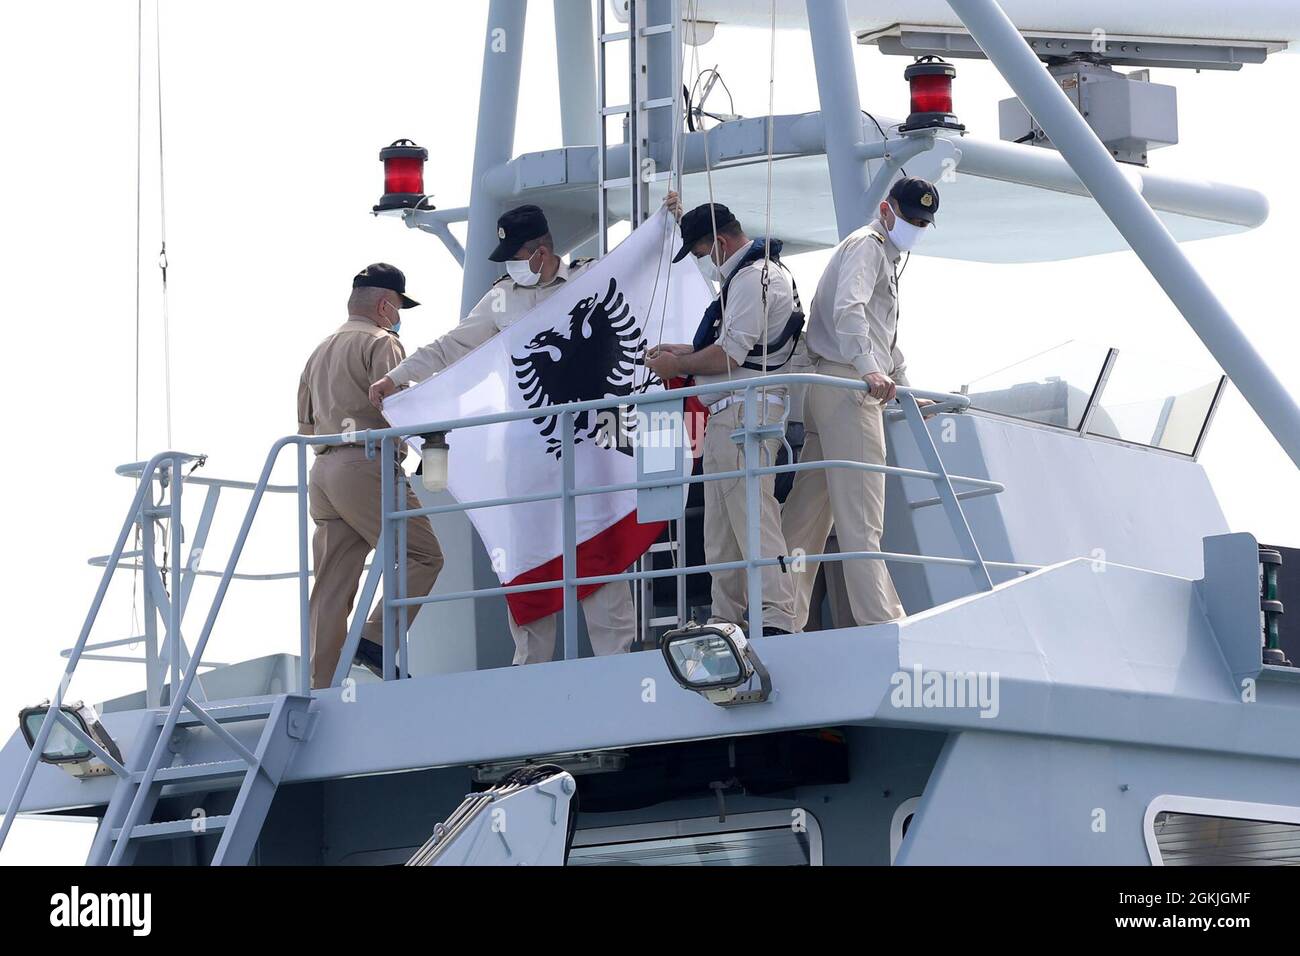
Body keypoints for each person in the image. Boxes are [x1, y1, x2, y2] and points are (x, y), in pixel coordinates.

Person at [368, 204, 636, 665]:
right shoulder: (501, 298)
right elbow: (452, 345)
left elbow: (644, 270)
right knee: (523, 551)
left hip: (589, 445)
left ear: (541, 252)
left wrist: (669, 223)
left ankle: (618, 661)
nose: (511, 264)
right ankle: (529, 667)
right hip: (526, 448)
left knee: (600, 549)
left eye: (516, 254)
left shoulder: (589, 280)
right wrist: (399, 377)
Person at [780, 177, 939, 631]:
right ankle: (880, 620)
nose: (916, 227)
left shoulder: (880, 254)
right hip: (851, 390)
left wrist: (905, 389)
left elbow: (883, 337)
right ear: (887, 211)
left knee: (807, 518)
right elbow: (850, 312)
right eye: (910, 218)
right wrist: (870, 369)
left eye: (924, 222)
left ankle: (778, 612)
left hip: (834, 387)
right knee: (863, 517)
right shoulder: (868, 246)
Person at [647, 193, 802, 635]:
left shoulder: (755, 278)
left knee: (754, 520)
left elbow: (731, 354)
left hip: (744, 418)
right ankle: (725, 620)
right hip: (730, 420)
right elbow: (738, 347)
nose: (703, 263)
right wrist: (681, 352)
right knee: (721, 534)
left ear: (718, 242)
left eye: (700, 253)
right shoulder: (748, 279)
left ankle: (775, 617)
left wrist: (677, 366)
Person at [298, 263, 444, 687]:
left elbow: (305, 428)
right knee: (423, 555)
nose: (398, 316)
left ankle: (321, 683)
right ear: (385, 305)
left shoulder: (318, 351)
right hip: (367, 464)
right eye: (398, 307)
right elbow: (402, 408)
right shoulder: (383, 344)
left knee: (332, 581)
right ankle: (374, 637)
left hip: (322, 470)